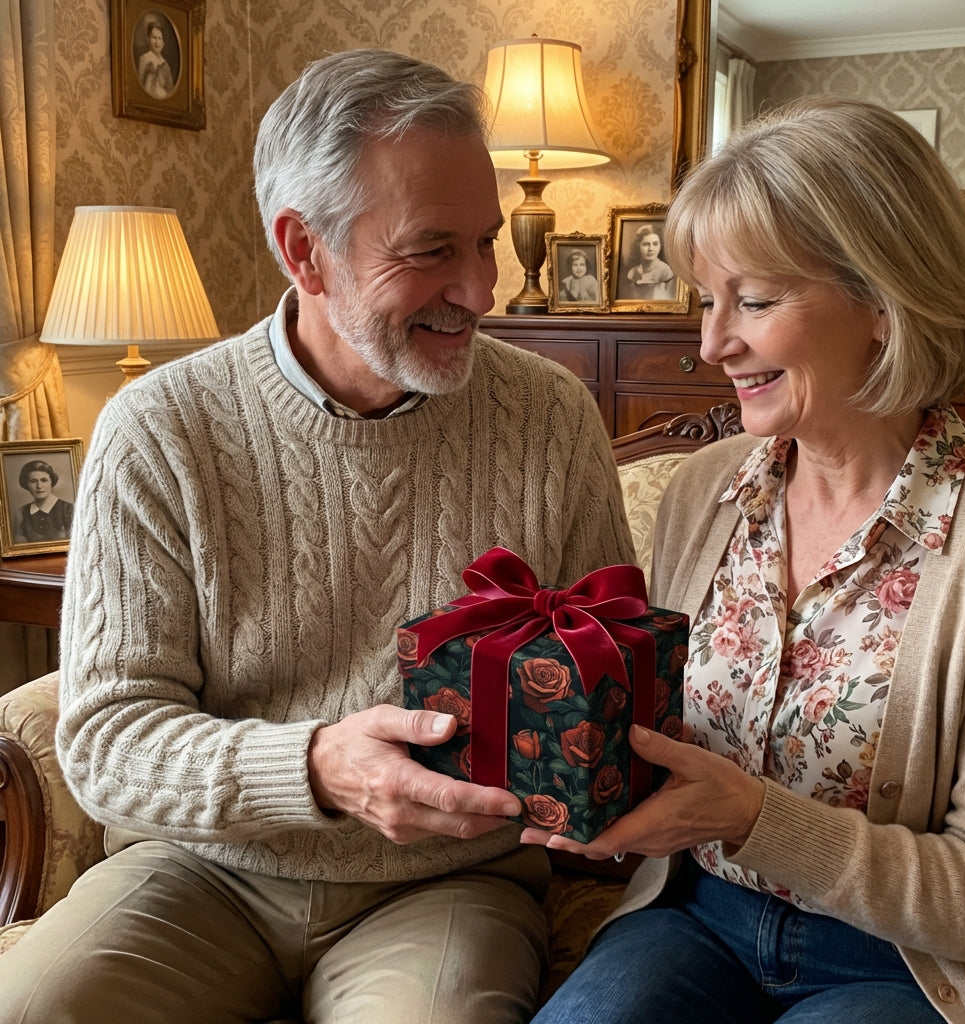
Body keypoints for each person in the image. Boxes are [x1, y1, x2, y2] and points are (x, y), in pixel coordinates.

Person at [0, 49, 635, 1024]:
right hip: (201, 871)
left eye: (485, 242)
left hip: (446, 880)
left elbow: (611, 666)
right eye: (431, 250)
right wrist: (317, 767)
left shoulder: (550, 416)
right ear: (304, 250)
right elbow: (107, 740)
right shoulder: (159, 429)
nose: (481, 289)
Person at [527, 97, 965, 1022]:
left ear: (885, 302)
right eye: (707, 300)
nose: (712, 343)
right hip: (693, 915)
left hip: (903, 962)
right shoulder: (705, 491)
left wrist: (757, 819)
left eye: (753, 302)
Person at [12, 459, 74, 543]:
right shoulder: (21, 513)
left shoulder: (68, 509)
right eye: (33, 481)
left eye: (44, 480)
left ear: (51, 482)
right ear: (26, 484)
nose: (39, 486)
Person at [622, 223, 675, 300]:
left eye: (655, 244)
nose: (651, 249)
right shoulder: (632, 273)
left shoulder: (665, 272)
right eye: (646, 244)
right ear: (638, 246)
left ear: (660, 246)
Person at [137, 18, 174, 99]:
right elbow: (139, 87)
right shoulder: (144, 59)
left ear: (163, 42)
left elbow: (170, 90)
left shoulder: (165, 65)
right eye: (154, 38)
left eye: (159, 38)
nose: (157, 42)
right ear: (148, 39)